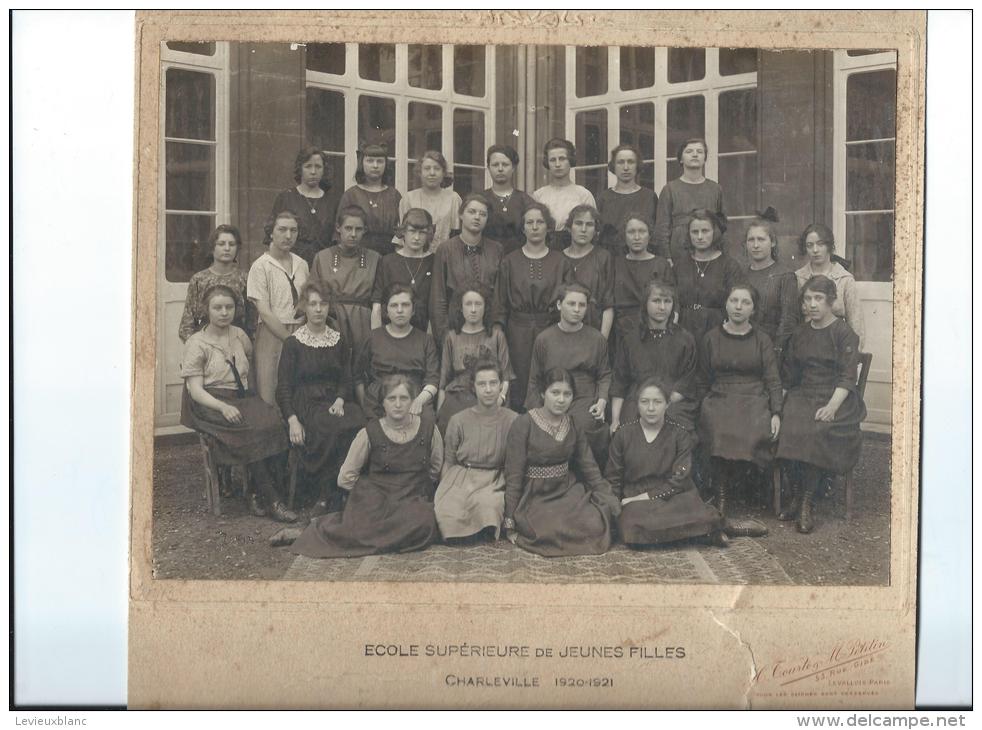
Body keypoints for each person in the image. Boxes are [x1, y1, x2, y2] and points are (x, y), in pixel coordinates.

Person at [274, 375, 444, 557]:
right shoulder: (369, 432)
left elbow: (435, 468)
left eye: (404, 398)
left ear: (412, 401)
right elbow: (345, 477)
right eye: (391, 399)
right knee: (364, 522)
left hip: (413, 497)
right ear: (383, 403)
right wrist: (369, 495)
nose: (398, 404)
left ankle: (370, 535)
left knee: (425, 521)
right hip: (379, 496)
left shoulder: (429, 429)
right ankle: (313, 531)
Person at [180, 285, 296, 523]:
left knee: (274, 421)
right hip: (209, 403)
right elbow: (195, 390)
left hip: (239, 398)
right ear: (206, 310)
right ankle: (272, 500)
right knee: (250, 430)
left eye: (229, 307)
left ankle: (256, 490)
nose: (224, 312)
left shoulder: (240, 336)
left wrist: (254, 402)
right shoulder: (196, 343)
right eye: (217, 308)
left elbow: (247, 371)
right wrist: (222, 407)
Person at [776, 276, 866, 534]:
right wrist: (777, 405)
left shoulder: (844, 332)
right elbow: (789, 375)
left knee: (815, 430)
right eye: (807, 299)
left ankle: (806, 503)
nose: (812, 304)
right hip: (803, 394)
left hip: (836, 397)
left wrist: (832, 407)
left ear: (831, 302)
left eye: (818, 299)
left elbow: (848, 376)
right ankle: (795, 496)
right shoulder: (800, 333)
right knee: (787, 426)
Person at [503, 368, 621, 557]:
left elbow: (589, 467)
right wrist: (509, 520)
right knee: (548, 529)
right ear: (543, 393)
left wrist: (610, 499)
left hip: (566, 491)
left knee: (594, 523)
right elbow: (514, 475)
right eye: (555, 392)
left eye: (567, 394)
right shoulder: (523, 424)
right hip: (535, 496)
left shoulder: (573, 423)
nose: (561, 399)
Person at [276, 280, 366, 515]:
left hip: (334, 400)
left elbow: (345, 378)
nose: (318, 309)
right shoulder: (293, 343)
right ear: (304, 308)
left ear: (329, 307)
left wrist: (339, 400)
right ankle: (327, 494)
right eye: (312, 304)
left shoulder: (338, 340)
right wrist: (292, 420)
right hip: (306, 402)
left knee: (359, 421)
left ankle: (347, 489)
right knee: (330, 427)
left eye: (323, 304)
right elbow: (283, 387)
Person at [605, 377, 727, 547]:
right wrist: (616, 508)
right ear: (637, 404)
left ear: (667, 404)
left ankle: (703, 528)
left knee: (693, 510)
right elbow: (613, 477)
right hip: (636, 503)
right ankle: (704, 533)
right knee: (631, 528)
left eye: (657, 402)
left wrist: (645, 497)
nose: (651, 408)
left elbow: (679, 480)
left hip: (672, 497)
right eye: (644, 402)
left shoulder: (680, 435)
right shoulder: (623, 435)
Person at [696, 285, 783, 517]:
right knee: (717, 427)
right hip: (720, 396)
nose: (738, 307)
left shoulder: (762, 339)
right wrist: (699, 409)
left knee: (753, 428)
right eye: (734, 300)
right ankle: (721, 492)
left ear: (753, 309)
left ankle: (750, 490)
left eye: (745, 302)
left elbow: (773, 379)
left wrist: (776, 412)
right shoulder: (711, 338)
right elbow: (703, 380)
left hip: (754, 397)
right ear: (726, 304)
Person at [493, 203, 573, 412]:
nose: (535, 227)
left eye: (540, 222)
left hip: (550, 328)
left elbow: (568, 299)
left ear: (548, 227)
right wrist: (498, 333)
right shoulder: (509, 261)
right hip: (517, 331)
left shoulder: (560, 261)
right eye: (530, 222)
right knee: (518, 380)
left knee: (549, 377)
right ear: (523, 227)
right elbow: (500, 301)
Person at [525, 283, 611, 463]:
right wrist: (535, 412)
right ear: (559, 305)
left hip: (584, 396)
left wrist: (602, 401)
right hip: (552, 395)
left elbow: (604, 375)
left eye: (582, 305)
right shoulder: (544, 339)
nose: (577, 309)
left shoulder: (596, 338)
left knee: (583, 425)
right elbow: (534, 380)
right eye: (571, 304)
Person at [434, 358, 518, 541]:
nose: (488, 389)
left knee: (487, 507)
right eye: (482, 384)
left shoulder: (514, 420)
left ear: (500, 385)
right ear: (474, 387)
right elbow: (449, 461)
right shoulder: (458, 420)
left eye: (493, 383)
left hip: (494, 481)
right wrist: (443, 490)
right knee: (447, 509)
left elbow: (516, 467)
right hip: (462, 477)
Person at [610, 280, 698, 433]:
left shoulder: (685, 339)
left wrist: (660, 405)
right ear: (645, 304)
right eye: (656, 301)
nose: (662, 307)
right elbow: (619, 382)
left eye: (667, 301)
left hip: (673, 404)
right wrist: (615, 420)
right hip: (636, 401)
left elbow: (686, 383)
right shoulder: (630, 340)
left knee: (671, 427)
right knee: (628, 430)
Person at [247, 211, 309, 407]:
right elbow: (263, 310)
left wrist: (301, 335)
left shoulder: (302, 264)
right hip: (271, 333)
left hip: (300, 331)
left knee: (297, 386)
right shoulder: (260, 266)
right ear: (271, 233)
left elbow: (305, 301)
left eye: (293, 230)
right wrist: (289, 339)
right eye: (282, 230)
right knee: (270, 388)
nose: (288, 235)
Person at [437, 282, 514, 434]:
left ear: (485, 307)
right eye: (468, 304)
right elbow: (443, 381)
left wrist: (500, 399)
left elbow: (506, 377)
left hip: (489, 394)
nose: (473, 309)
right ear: (461, 307)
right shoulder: (452, 337)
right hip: (458, 396)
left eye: (478, 304)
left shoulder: (496, 336)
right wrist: (440, 411)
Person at [311, 205, 381, 372]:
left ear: (365, 230)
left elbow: (379, 297)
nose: (353, 234)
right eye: (348, 228)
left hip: (363, 322)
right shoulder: (323, 257)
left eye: (358, 229)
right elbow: (312, 294)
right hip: (332, 320)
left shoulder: (374, 258)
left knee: (361, 369)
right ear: (338, 228)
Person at [429, 194, 503, 347]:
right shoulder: (446, 250)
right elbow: (438, 297)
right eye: (472, 212)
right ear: (461, 214)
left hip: (487, 328)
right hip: (454, 328)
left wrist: (496, 330)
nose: (477, 217)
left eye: (483, 214)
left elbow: (499, 295)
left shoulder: (496, 249)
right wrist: (444, 337)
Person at [356, 284, 439, 418]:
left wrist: (419, 401)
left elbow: (432, 379)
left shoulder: (425, 340)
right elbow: (357, 376)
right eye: (394, 305)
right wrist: (365, 405)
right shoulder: (372, 338)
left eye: (405, 305)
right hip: (379, 401)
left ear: (413, 310)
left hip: (415, 398)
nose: (400, 310)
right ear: (386, 311)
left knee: (425, 425)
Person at [674, 209, 746, 350]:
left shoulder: (729, 265)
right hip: (685, 328)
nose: (700, 237)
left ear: (715, 232)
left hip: (717, 329)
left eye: (705, 231)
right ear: (688, 235)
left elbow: (736, 302)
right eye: (695, 232)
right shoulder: (679, 265)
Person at [653, 138, 726, 264]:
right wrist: (667, 257)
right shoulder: (670, 189)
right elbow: (662, 228)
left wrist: (722, 254)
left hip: (710, 251)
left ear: (705, 159)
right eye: (689, 151)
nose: (695, 154)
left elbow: (722, 226)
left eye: (699, 151)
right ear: (681, 159)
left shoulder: (715, 189)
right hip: (678, 251)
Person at [266, 146, 341, 266]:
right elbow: (271, 237)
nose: (313, 172)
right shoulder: (286, 198)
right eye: (308, 166)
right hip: (291, 264)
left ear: (324, 170)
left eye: (318, 167)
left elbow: (337, 240)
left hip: (324, 266)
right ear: (300, 169)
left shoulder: (333, 202)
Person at [794, 223, 865, 349]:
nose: (815, 250)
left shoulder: (845, 279)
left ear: (829, 246)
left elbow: (856, 324)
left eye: (820, 244)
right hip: (805, 347)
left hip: (836, 347)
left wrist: (853, 355)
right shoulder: (798, 278)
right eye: (810, 245)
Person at [178, 224, 253, 342]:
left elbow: (252, 321)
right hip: (204, 344)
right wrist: (198, 347)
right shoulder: (199, 280)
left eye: (232, 244)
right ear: (212, 248)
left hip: (236, 343)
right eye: (221, 244)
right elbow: (186, 325)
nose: (227, 248)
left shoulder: (245, 279)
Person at [610, 215, 674, 355]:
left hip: (654, 325)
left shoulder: (660, 264)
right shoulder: (616, 264)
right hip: (623, 329)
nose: (637, 237)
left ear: (650, 235)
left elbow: (672, 300)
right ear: (624, 236)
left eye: (642, 231)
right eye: (631, 232)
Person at [742, 209, 799, 360]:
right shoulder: (741, 275)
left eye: (761, 240)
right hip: (742, 347)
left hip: (772, 350)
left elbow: (788, 321)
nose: (755, 245)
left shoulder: (785, 275)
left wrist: (775, 351)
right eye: (751, 240)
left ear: (772, 242)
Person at [372, 208, 436, 333]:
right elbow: (377, 305)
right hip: (391, 331)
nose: (416, 237)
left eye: (422, 232)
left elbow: (436, 307)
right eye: (412, 231)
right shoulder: (387, 262)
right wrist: (377, 340)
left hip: (423, 333)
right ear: (403, 232)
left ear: (428, 235)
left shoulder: (434, 262)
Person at [337, 142, 402, 257]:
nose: (375, 165)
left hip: (388, 254)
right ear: (362, 163)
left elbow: (401, 231)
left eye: (380, 161)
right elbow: (339, 233)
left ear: (386, 165)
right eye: (370, 161)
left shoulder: (394, 195)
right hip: (358, 254)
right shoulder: (351, 195)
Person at [532, 138, 597, 250]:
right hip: (546, 252)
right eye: (553, 160)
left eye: (562, 159)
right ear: (547, 163)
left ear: (570, 160)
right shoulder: (538, 195)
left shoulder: (583, 195)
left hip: (576, 251)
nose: (557, 164)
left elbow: (592, 229)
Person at [595, 144, 658, 257]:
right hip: (611, 260)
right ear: (613, 166)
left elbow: (655, 234)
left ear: (637, 165)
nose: (625, 167)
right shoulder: (603, 198)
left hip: (641, 260)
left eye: (630, 162)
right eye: (620, 162)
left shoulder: (649, 197)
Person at [562, 205, 614, 337]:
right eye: (578, 223)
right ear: (569, 227)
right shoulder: (559, 258)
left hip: (594, 329)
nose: (583, 229)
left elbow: (608, 304)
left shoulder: (603, 257)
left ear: (596, 230)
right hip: (563, 332)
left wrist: (602, 340)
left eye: (589, 224)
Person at [396, 150, 462, 253]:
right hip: (416, 258)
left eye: (437, 169)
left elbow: (457, 236)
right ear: (419, 172)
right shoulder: (408, 198)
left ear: (443, 172)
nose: (432, 173)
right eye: (427, 169)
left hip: (445, 258)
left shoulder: (453, 198)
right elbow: (401, 238)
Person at [482, 144, 537, 256]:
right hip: (486, 261)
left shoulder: (526, 201)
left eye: (505, 164)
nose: (500, 169)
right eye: (495, 165)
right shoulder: (480, 200)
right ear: (488, 168)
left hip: (518, 261)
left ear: (513, 168)